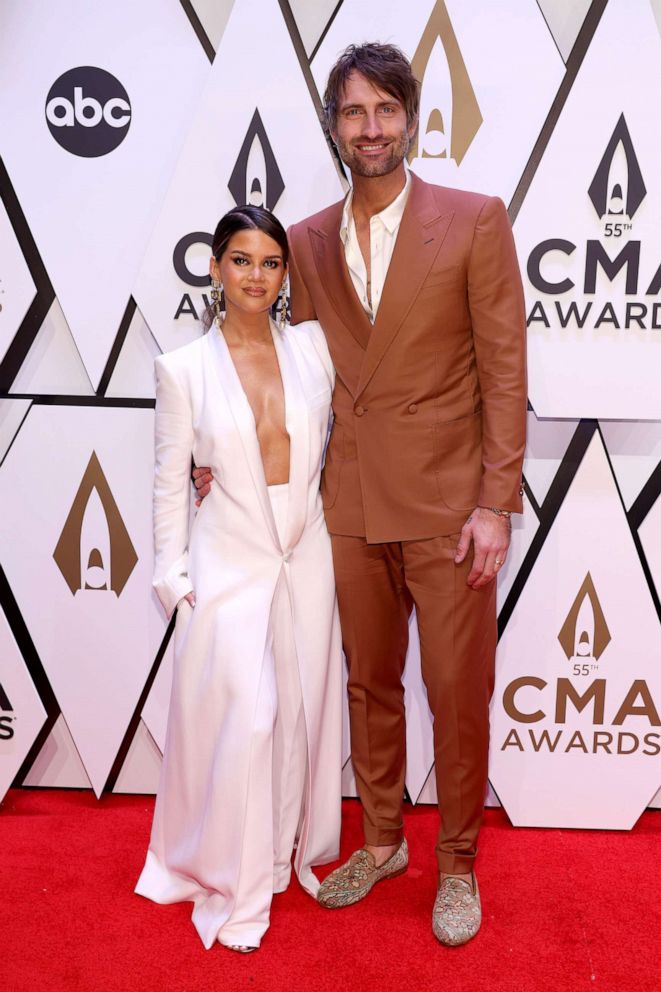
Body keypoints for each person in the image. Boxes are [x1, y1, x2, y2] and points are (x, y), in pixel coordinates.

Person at [195, 43, 527, 947]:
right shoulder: (301, 240)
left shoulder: (473, 220)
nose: (369, 128)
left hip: (452, 507)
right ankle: (381, 840)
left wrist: (495, 502)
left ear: (411, 120)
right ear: (334, 127)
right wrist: (212, 446)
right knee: (367, 685)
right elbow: (269, 359)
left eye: (385, 110)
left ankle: (454, 862)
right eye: (352, 112)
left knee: (456, 689)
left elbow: (504, 371)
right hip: (345, 505)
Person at [136, 205, 343, 953]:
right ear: (215, 268)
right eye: (241, 260)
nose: (256, 276)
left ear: (286, 274)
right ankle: (240, 888)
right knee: (248, 723)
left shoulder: (315, 350)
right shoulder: (182, 368)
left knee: (299, 718)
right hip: (228, 556)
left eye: (271, 263)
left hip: (306, 550)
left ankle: (290, 853)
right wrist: (173, 576)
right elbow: (168, 481)